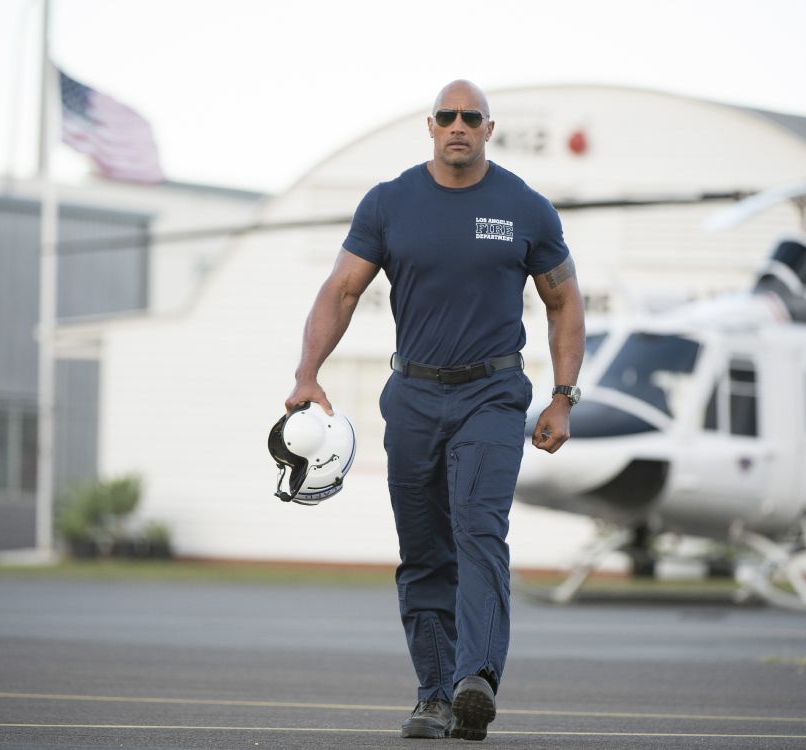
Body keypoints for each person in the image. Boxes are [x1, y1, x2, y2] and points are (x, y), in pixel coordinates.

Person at [284, 79, 585, 741]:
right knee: (423, 552)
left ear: (487, 128)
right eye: (447, 117)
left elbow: (565, 302)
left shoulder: (524, 208)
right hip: (414, 397)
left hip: (493, 395)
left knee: (479, 530)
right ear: (430, 126)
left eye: (470, 118)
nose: (458, 126)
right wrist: (308, 373)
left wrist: (562, 398)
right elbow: (340, 290)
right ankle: (434, 697)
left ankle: (474, 678)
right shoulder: (390, 204)